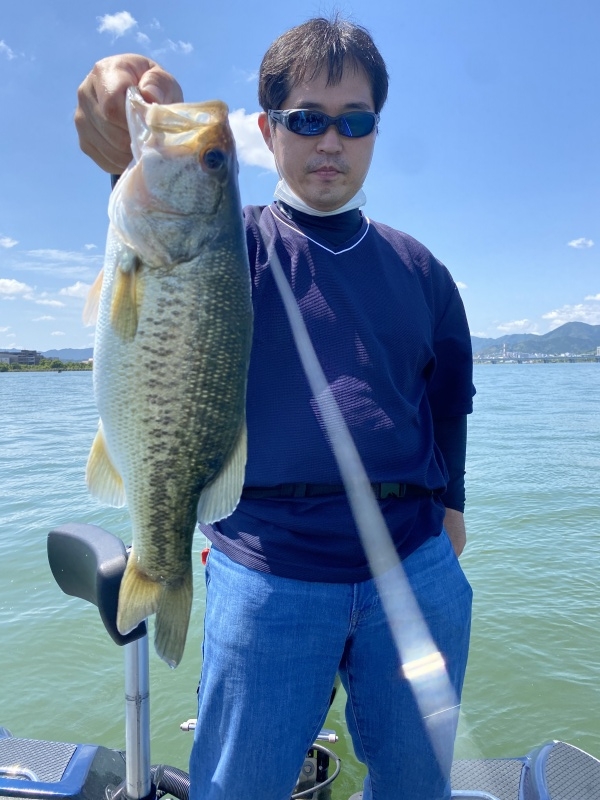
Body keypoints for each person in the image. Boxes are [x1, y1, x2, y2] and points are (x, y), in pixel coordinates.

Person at [75, 16, 474, 800]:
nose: (332, 141)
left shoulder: (421, 268)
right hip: (268, 569)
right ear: (267, 130)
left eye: (355, 121)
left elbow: (448, 395)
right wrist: (129, 98)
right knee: (239, 786)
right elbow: (162, 236)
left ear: (375, 131)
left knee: (416, 786)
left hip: (415, 564)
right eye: (307, 119)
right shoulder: (238, 242)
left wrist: (453, 503)